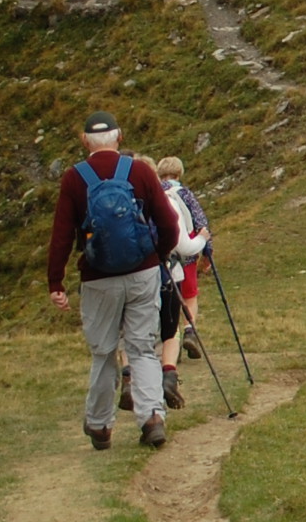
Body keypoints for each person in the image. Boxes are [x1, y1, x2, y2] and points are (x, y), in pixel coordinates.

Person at [48, 110, 183, 450]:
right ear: (119, 137)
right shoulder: (138, 170)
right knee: (142, 349)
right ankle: (152, 417)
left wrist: (56, 282)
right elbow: (168, 223)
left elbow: (62, 236)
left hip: (98, 279)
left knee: (104, 352)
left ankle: (100, 426)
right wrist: (159, 256)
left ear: (84, 142)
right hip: (143, 273)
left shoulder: (73, 179)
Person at [153, 156, 210, 410]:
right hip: (186, 256)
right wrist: (207, 250)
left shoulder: (153, 193)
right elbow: (200, 221)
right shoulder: (185, 194)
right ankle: (189, 331)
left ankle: (169, 345)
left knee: (169, 305)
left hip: (163, 260)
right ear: (180, 172)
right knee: (190, 296)